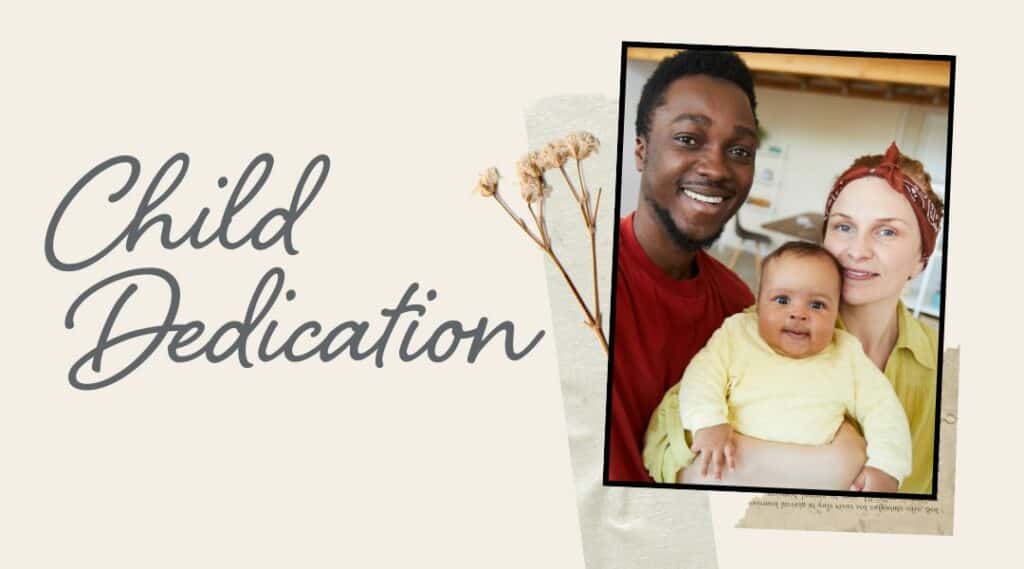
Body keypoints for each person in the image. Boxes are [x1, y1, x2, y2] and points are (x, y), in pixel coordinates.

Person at [643, 142, 942, 494]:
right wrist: (835, 464)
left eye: (887, 231)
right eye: (844, 227)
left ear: (922, 258)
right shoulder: (754, 331)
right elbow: (668, 456)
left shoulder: (946, 365)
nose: (857, 251)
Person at [608, 49, 760, 482]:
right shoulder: (583, 276)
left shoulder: (737, 307)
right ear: (640, 150)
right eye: (688, 139)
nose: (716, 168)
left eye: (740, 150)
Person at [674, 242, 912, 491]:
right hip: (735, 467)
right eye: (782, 299)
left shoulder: (846, 354)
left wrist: (886, 466)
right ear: (759, 303)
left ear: (836, 313)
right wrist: (708, 421)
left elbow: (884, 410)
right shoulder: (737, 334)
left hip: (810, 482)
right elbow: (702, 375)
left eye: (817, 305)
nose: (798, 314)